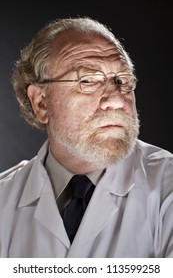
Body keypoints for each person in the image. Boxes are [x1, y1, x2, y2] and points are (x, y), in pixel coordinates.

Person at [0, 16, 173, 258]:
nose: (116, 99)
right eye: (88, 81)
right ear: (41, 102)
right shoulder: (3, 199)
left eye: (121, 80)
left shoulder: (168, 186)